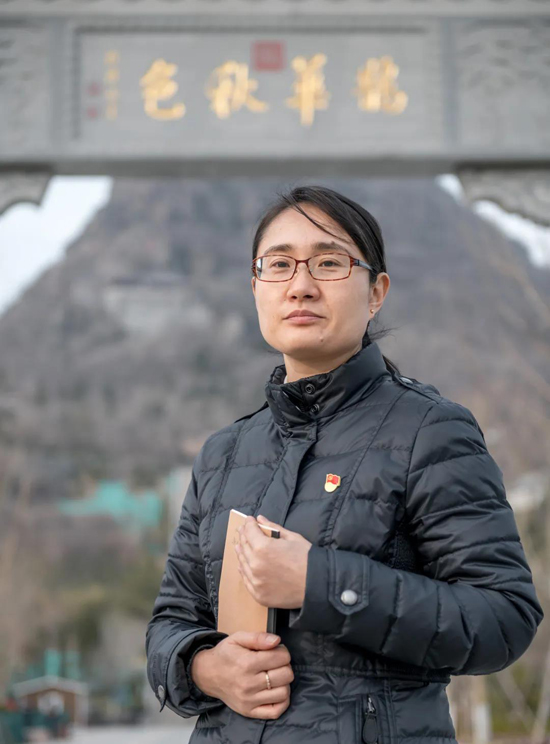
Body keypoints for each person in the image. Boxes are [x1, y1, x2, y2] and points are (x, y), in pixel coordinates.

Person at [146, 185, 543, 744]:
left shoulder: (429, 430)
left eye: (329, 262)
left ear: (376, 292)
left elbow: (503, 618)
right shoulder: (222, 454)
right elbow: (169, 622)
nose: (301, 285)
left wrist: (319, 583)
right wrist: (205, 668)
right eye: (279, 265)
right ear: (256, 287)